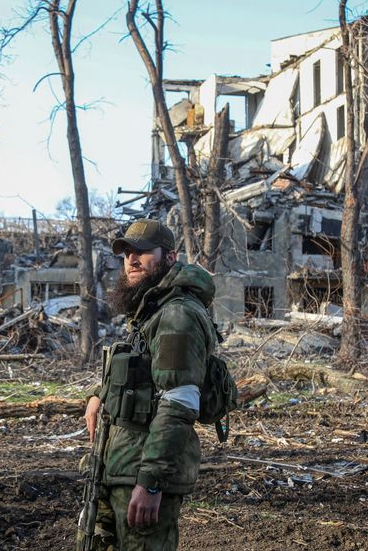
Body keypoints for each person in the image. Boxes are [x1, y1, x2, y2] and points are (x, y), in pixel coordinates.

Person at [82, 218, 217, 550]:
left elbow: (179, 401)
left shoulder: (177, 316)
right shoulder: (150, 309)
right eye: (127, 252)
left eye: (142, 251)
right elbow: (142, 374)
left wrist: (151, 483)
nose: (132, 259)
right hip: (120, 468)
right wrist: (99, 395)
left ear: (169, 257)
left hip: (141, 474)